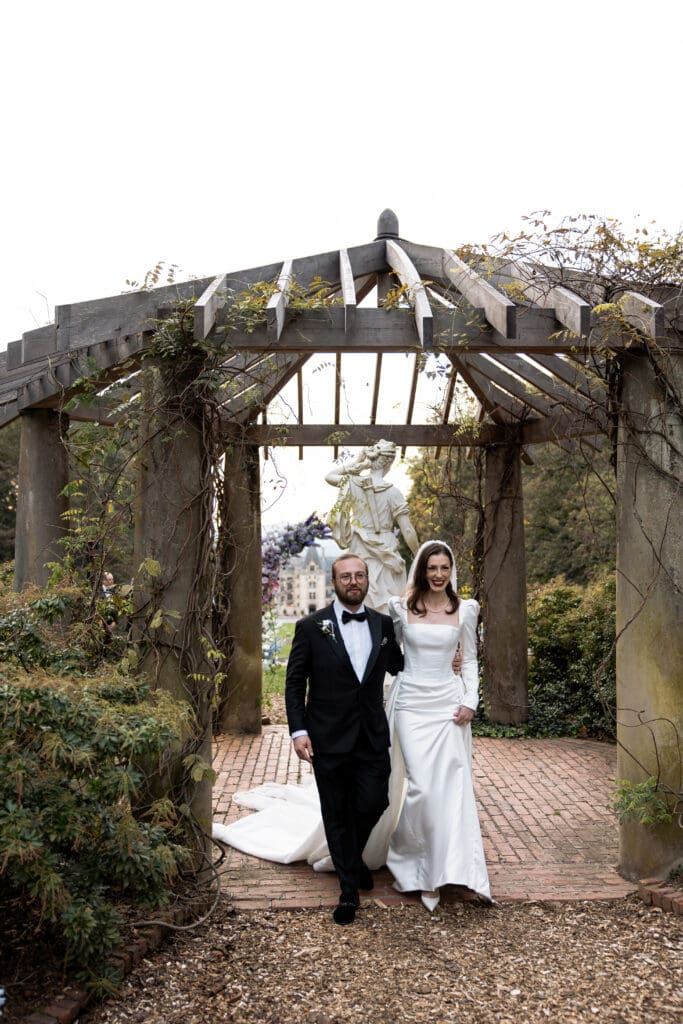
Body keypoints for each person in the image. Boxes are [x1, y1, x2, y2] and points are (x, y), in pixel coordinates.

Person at [284, 552, 404, 924]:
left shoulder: (384, 626)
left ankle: (349, 859)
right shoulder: (310, 627)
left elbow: (400, 666)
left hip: (371, 734)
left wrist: (447, 659)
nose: (353, 582)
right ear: (334, 581)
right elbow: (294, 683)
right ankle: (349, 891)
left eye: (359, 576)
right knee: (335, 812)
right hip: (327, 737)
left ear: (367, 580)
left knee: (374, 800)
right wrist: (298, 730)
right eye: (345, 576)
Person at [384, 540, 491, 910]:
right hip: (411, 705)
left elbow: (472, 661)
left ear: (451, 571)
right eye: (432, 568)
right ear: (422, 570)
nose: (438, 574)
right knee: (423, 788)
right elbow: (393, 654)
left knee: (453, 787)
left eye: (444, 568)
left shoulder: (465, 610)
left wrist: (470, 701)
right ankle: (414, 865)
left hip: (449, 706)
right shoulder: (401, 607)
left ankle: (455, 869)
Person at [325, 441, 419, 612]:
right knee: (390, 601)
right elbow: (407, 530)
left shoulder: (353, 483)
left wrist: (356, 463)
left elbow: (330, 476)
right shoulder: (393, 492)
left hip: (360, 544)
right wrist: (419, 554)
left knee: (361, 593)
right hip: (386, 548)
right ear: (388, 462)